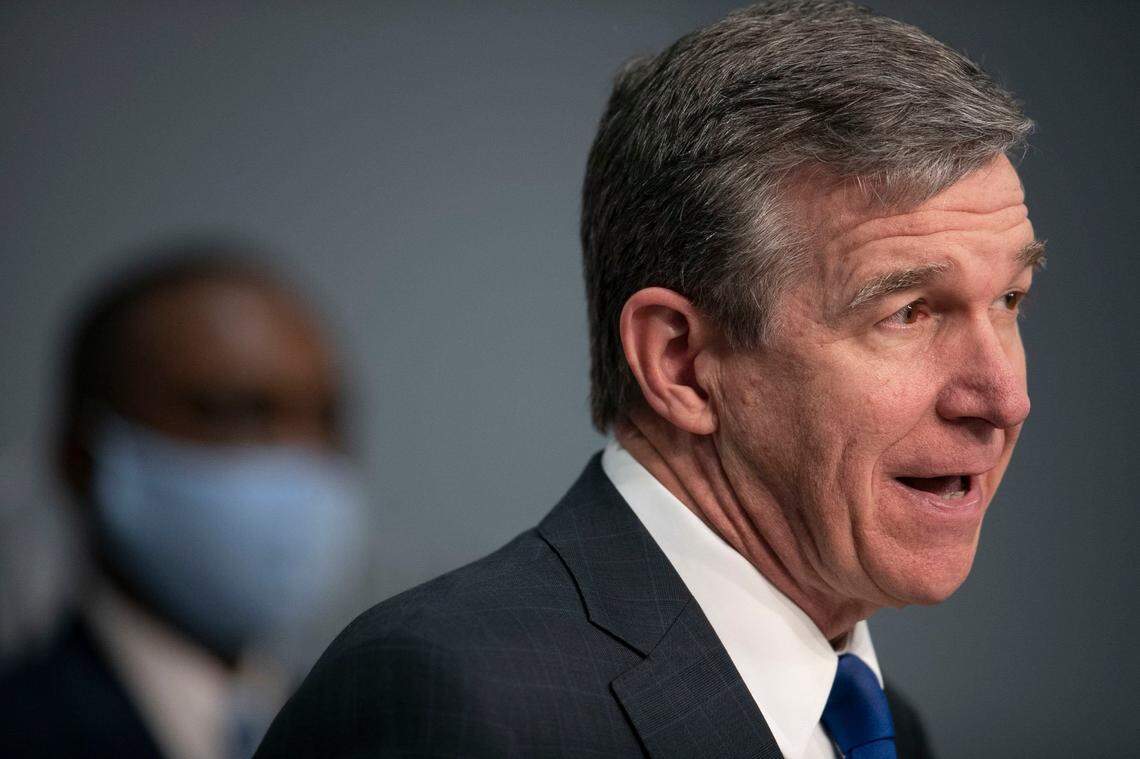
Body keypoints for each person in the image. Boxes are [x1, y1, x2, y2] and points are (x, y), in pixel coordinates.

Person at [256, 2, 1043, 757]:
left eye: (1009, 299)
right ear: (681, 364)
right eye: (908, 311)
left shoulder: (880, 725)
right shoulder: (454, 701)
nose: (1004, 397)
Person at [0, 243, 370, 759]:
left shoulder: (368, 728)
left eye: (327, 418)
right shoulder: (21, 729)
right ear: (82, 462)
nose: (301, 457)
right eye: (237, 412)